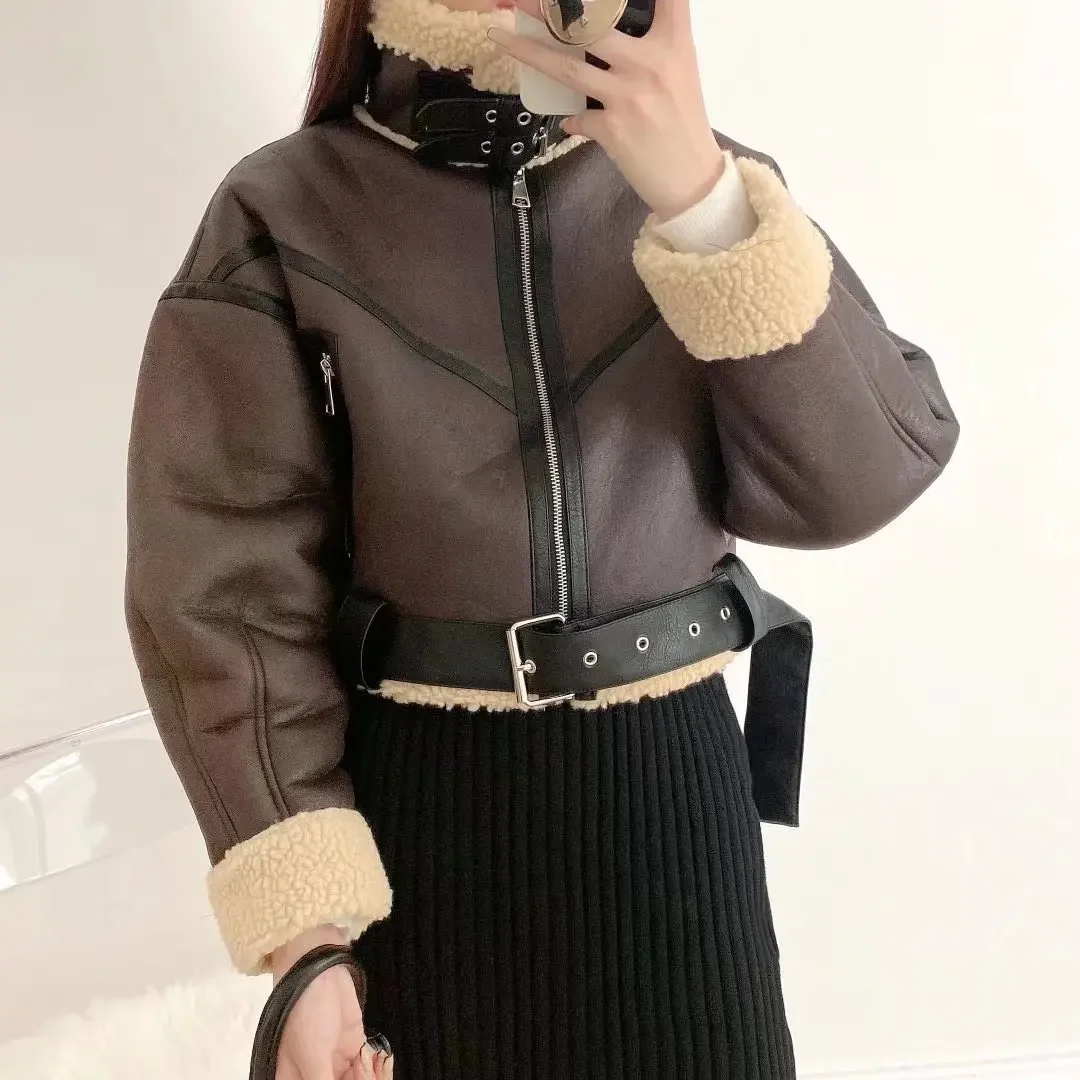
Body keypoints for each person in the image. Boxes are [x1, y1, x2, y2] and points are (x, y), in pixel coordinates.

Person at [124, 0, 959, 1076]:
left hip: (672, 805)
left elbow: (857, 484)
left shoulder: (707, 187)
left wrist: (704, 203)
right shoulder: (282, 211)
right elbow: (224, 596)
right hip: (421, 821)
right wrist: (309, 942)